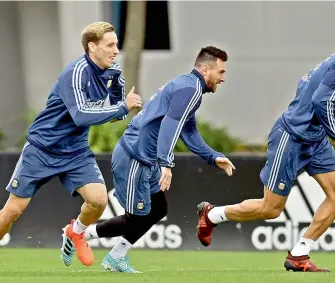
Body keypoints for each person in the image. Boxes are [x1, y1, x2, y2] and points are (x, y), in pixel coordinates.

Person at [196, 15, 335, 272]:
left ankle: (299, 253)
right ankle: (212, 215)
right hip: (292, 136)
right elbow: (320, 101)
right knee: (271, 209)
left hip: (316, 138)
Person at [0, 22, 142, 277]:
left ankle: (76, 231)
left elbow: (113, 114)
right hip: (42, 148)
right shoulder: (75, 73)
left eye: (116, 44)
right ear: (92, 46)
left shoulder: (110, 71)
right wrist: (122, 107)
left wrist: (120, 95)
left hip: (75, 151)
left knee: (98, 201)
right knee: (13, 211)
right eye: (110, 45)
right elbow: (82, 115)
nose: (116, 50)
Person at [60, 46, 236, 273]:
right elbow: (169, 127)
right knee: (136, 218)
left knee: (158, 208)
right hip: (134, 157)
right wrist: (166, 164)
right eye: (220, 72)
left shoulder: (189, 87)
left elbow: (188, 131)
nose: (223, 78)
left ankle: (115, 257)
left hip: (145, 158)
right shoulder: (189, 89)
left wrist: (213, 157)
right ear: (204, 69)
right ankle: (77, 232)